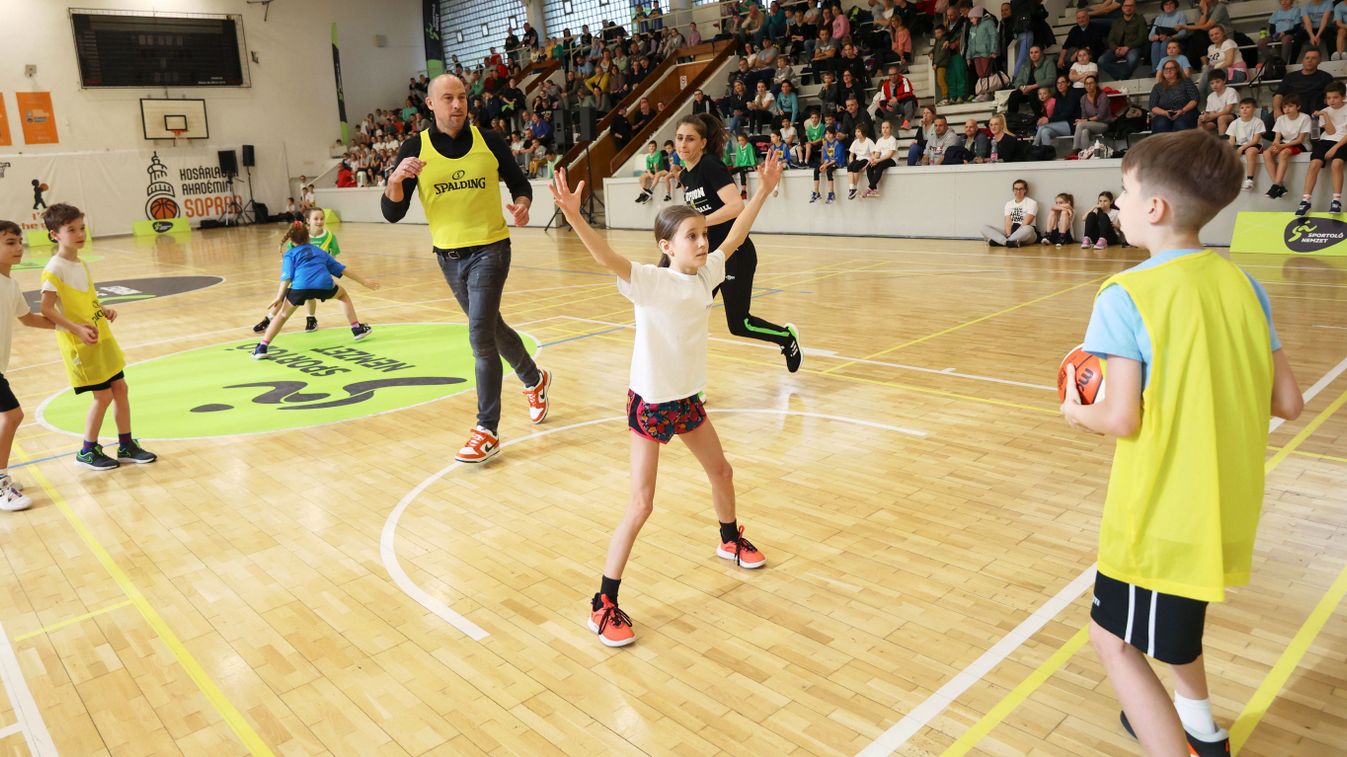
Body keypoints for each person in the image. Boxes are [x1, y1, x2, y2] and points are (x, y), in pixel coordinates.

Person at [1062, 129, 1303, 757]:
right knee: (1175, 626)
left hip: (1160, 514)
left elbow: (1120, 418)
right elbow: (1289, 403)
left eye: (1123, 191)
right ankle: (1202, 729)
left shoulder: (1126, 294)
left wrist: (1075, 412)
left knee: (1112, 641)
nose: (1116, 203)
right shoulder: (1245, 285)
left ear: (1155, 208)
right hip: (1222, 505)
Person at [549, 151, 783, 649]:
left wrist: (762, 190)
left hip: (687, 401)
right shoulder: (649, 282)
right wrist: (572, 215)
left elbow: (736, 234)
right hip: (652, 404)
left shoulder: (705, 274)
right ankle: (603, 603)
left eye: (703, 235)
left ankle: (728, 538)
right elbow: (605, 258)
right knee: (642, 504)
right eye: (692, 237)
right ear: (666, 246)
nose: (703, 242)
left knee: (722, 472)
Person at [382, 74, 553, 464]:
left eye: (462, 97)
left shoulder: (489, 140)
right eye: (448, 98)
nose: (457, 105)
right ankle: (534, 378)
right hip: (448, 257)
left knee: (479, 335)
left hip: (492, 248)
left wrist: (523, 204)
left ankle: (486, 429)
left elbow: (517, 182)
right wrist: (395, 180)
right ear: (430, 104)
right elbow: (393, 212)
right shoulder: (415, 148)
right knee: (491, 326)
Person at [675, 113, 802, 368]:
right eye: (679, 138)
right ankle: (693, 385)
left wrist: (700, 221)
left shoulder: (710, 165)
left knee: (739, 324)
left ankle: (786, 338)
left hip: (736, 254)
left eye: (690, 139)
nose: (683, 144)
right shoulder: (685, 176)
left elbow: (735, 206)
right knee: (689, 316)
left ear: (702, 143)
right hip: (708, 258)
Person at [38, 204, 157, 471]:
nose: (80, 234)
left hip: (101, 336)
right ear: (55, 234)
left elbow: (85, 297)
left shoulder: (79, 263)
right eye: (71, 230)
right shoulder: (54, 268)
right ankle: (87, 450)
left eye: (81, 228)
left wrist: (101, 309)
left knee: (121, 389)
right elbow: (46, 309)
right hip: (81, 344)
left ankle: (126, 444)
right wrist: (76, 328)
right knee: (102, 397)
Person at [252, 222, 380, 359]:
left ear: (291, 239)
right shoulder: (320, 252)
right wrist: (364, 281)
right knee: (342, 295)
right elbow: (343, 269)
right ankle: (356, 328)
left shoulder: (290, 254)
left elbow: (287, 277)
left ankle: (262, 347)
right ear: (308, 237)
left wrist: (279, 296)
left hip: (300, 288)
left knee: (282, 315)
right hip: (324, 285)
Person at [0, 221, 55, 509]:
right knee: (12, 415)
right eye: (10, 242)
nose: (19, 247)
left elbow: (28, 318)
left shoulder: (10, 283)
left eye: (19, 241)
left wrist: (68, 327)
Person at [253, 206, 342, 334]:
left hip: (318, 274)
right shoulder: (301, 235)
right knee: (285, 295)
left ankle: (309, 319)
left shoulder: (330, 237)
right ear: (308, 220)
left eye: (322, 218)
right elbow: (291, 254)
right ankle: (270, 319)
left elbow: (333, 257)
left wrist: (328, 269)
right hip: (300, 273)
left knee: (305, 295)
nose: (319, 221)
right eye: (316, 218)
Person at [1295, 80, 1347, 215]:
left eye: (1335, 97)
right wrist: (1324, 115)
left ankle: (1336, 201)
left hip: (1343, 142)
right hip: (1327, 140)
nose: (1332, 101)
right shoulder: (1324, 111)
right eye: (1329, 98)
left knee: (1336, 164)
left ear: (1343, 97)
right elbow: (1330, 132)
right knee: (1314, 164)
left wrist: (1335, 148)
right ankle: (1305, 201)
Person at [1264, 93, 1312, 198]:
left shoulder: (1305, 118)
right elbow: (1277, 138)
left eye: (1290, 106)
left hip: (1302, 144)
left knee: (1284, 153)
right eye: (1284, 107)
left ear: (1298, 107)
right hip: (1285, 143)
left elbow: (1300, 140)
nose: (1287, 109)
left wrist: (1281, 147)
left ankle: (1276, 185)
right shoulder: (1281, 119)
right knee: (1266, 153)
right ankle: (1278, 185)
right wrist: (1276, 145)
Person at [1273, 50, 1334, 118]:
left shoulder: (1326, 77)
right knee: (1268, 119)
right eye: (1307, 58)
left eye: (1313, 58)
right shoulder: (1289, 76)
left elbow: (1331, 96)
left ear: (1319, 61)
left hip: (1314, 110)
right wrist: (1277, 110)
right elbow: (1278, 95)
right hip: (1290, 109)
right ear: (1302, 60)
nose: (1309, 60)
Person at [1099, 0, 1148, 81]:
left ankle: (1122, 78)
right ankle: (1121, 78)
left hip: (1133, 47)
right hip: (1117, 48)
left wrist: (1128, 47)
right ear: (1122, 8)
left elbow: (1143, 38)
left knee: (1133, 59)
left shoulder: (1140, 20)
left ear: (1134, 7)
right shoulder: (1116, 21)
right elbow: (1110, 39)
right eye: (1126, 6)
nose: (1128, 8)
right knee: (1101, 60)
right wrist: (1115, 48)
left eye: (1131, 6)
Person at [981, 178, 1038, 246]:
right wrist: (1008, 235)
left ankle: (1000, 241)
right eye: (1016, 189)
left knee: (1029, 228)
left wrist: (1013, 235)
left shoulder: (1032, 203)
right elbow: (1008, 222)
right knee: (984, 227)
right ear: (1013, 190)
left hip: (1026, 233)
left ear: (1025, 190)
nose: (1018, 191)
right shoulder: (1009, 204)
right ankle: (1009, 242)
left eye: (1021, 189)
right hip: (1010, 232)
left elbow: (1026, 222)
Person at [1149, 60, 1200, 132]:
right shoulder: (1157, 87)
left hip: (1185, 111)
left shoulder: (1186, 82)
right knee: (1160, 124)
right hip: (1165, 113)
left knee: (1180, 124)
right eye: (1166, 69)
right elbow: (1153, 106)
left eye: (1171, 68)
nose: (1168, 70)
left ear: (1177, 70)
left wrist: (1182, 110)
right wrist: (1165, 113)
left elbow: (1195, 99)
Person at [1006, 45, 1057, 115]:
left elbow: (1051, 80)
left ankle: (1039, 118)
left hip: (1043, 90)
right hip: (1027, 90)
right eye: (1031, 53)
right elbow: (1018, 81)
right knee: (1014, 95)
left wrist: (1032, 87)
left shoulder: (1048, 63)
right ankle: (1012, 119)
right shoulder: (1026, 65)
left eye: (1036, 52)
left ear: (1041, 53)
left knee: (1032, 94)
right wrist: (1022, 88)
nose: (1033, 55)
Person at [1227, 97, 1265, 191]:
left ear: (1254, 109)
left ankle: (1249, 180)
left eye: (1248, 107)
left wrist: (1241, 148)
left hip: (1254, 145)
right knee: (1227, 153)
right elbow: (1231, 141)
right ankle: (1229, 178)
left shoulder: (1258, 122)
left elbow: (1255, 140)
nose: (1244, 109)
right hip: (1239, 145)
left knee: (1250, 152)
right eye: (1242, 107)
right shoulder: (1234, 123)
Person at [1198, 25, 1247, 96]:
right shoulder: (1210, 48)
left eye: (1217, 33)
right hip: (1220, 74)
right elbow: (1211, 65)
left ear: (1223, 33)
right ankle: (1207, 102)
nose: (1214, 36)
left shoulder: (1228, 42)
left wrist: (1214, 71)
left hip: (1236, 73)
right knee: (1210, 77)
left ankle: (1202, 102)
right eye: (1211, 35)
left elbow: (1228, 62)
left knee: (1212, 76)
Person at [1074, 75, 1116, 153]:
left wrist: (1086, 120)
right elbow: (1084, 116)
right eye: (1086, 84)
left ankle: (1075, 149)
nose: (1088, 86)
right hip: (1090, 125)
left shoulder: (1102, 96)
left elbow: (1101, 115)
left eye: (1091, 83)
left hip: (1103, 124)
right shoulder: (1083, 98)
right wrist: (1084, 120)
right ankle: (1085, 153)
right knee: (1084, 131)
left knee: (1080, 125)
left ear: (1096, 84)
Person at [1148, 0, 1190, 72]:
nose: (1168, 6)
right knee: (1155, 44)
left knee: (1165, 43)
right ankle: (1155, 71)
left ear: (1175, 5)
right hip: (1161, 39)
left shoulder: (1180, 15)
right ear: (1163, 6)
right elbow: (1150, 36)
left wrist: (1169, 38)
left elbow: (1183, 33)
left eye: (1171, 3)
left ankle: (1164, 70)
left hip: (1176, 40)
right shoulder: (1159, 18)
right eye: (1166, 4)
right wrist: (1154, 37)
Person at [865, 120, 900, 197]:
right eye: (883, 128)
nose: (884, 129)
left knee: (880, 166)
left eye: (887, 128)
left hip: (892, 160)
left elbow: (889, 155)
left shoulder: (892, 139)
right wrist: (873, 159)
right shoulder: (879, 140)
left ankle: (870, 187)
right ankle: (874, 189)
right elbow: (877, 154)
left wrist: (878, 160)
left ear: (891, 129)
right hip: (881, 159)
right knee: (869, 167)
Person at [1197, 70, 1238, 135]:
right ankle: (1203, 141)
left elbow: (1228, 110)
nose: (1214, 85)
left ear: (1224, 81)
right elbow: (1211, 112)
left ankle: (1222, 141)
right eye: (1212, 83)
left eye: (1217, 82)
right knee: (1200, 119)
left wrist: (1212, 116)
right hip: (1216, 117)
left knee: (1221, 118)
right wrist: (1206, 116)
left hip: (1232, 116)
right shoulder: (1210, 96)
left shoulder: (1231, 91)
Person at [813, 128, 845, 204]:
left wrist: (826, 165)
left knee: (829, 171)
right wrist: (824, 164)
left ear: (834, 134)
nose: (828, 135)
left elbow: (836, 159)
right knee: (816, 170)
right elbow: (827, 158)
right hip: (830, 162)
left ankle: (831, 193)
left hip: (838, 163)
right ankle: (816, 192)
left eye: (830, 133)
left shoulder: (838, 143)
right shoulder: (826, 144)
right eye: (826, 133)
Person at [846, 125, 875, 200]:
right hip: (858, 159)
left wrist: (866, 166)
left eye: (858, 131)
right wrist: (851, 163)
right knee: (849, 167)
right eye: (856, 131)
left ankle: (854, 188)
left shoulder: (869, 141)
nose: (856, 133)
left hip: (866, 159)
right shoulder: (855, 142)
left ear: (863, 132)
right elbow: (851, 156)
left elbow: (873, 155)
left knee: (856, 167)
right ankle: (851, 187)